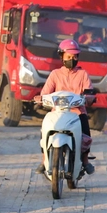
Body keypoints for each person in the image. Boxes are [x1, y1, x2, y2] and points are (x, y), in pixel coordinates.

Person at [37, 39, 95, 175]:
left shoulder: (83, 74)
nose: (72, 59)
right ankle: (44, 160)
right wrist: (41, 98)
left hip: (77, 112)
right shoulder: (55, 74)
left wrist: (89, 97)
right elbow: (45, 92)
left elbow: (89, 91)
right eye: (69, 57)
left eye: (75, 57)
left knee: (86, 134)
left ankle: (85, 161)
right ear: (62, 56)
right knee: (44, 131)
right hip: (57, 112)